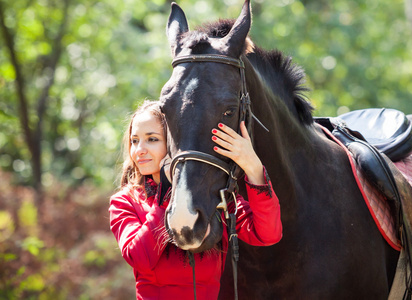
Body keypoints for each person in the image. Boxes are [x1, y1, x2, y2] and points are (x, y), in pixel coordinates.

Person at [109, 100, 282, 300]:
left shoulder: (213, 195)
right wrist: (167, 193)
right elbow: (139, 257)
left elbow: (268, 233)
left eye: (152, 139)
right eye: (134, 140)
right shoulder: (125, 201)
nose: (139, 149)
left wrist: (253, 168)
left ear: (175, 143)